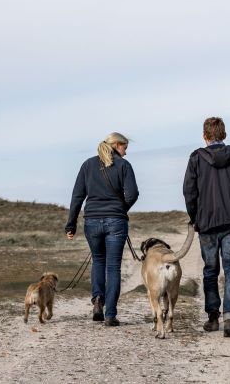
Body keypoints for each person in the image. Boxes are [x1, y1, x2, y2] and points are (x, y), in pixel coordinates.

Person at [183, 116, 230, 338]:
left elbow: (189, 192)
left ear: (205, 136)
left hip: (207, 224)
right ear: (223, 134)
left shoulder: (196, 158)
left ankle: (213, 316)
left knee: (210, 271)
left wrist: (195, 217)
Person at [65, 132, 139, 326]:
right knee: (113, 267)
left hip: (92, 221)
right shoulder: (124, 166)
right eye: (124, 148)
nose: (125, 152)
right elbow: (132, 194)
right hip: (116, 222)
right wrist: (119, 210)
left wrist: (70, 224)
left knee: (98, 261)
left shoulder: (87, 165)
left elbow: (77, 197)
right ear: (116, 144)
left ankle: (97, 300)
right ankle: (110, 314)